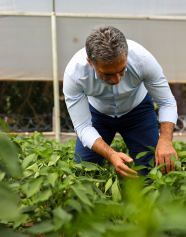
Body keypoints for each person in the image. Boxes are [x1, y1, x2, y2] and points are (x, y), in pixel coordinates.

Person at [63, 25, 178, 178]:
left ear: (126, 54)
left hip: (138, 112)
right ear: (91, 63)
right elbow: (83, 126)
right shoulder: (74, 74)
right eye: (108, 74)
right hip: (98, 115)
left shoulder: (143, 60)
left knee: (152, 172)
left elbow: (166, 102)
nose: (117, 79)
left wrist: (165, 140)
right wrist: (111, 155)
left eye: (121, 70)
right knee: (83, 173)